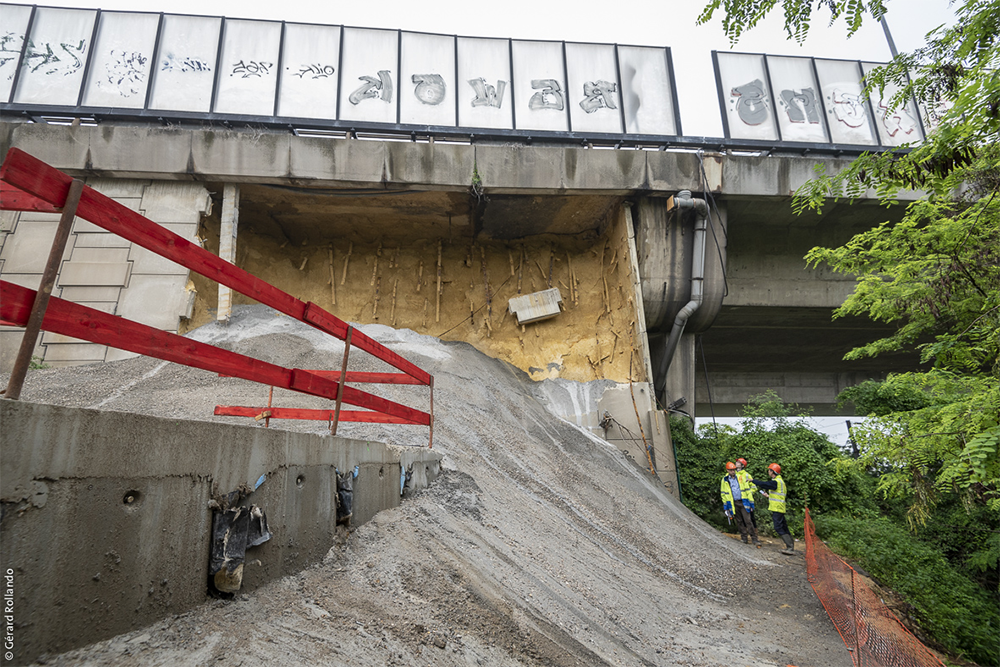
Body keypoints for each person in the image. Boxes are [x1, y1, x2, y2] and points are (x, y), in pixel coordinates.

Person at [751, 463, 794, 555]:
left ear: (773, 472)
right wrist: (768, 496)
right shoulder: (780, 481)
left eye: (769, 470)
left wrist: (753, 480)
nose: (768, 472)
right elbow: (778, 495)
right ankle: (790, 546)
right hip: (780, 507)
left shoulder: (776, 482)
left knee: (778, 527)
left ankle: (790, 547)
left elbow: (764, 484)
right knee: (783, 526)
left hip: (777, 508)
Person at [720, 461, 760, 547]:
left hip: (743, 501)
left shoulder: (740, 477)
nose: (733, 472)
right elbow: (723, 493)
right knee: (739, 521)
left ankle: (754, 539)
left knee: (748, 520)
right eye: (731, 470)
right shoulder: (724, 480)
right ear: (727, 470)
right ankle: (744, 538)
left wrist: (751, 503)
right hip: (733, 503)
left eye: (734, 470)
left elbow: (747, 490)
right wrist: (726, 507)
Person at [735, 457, 758, 530]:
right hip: (737, 499)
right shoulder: (733, 474)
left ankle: (754, 533)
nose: (736, 463)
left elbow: (754, 488)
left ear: (742, 465)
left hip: (746, 500)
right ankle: (745, 533)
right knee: (740, 518)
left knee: (750, 517)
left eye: (738, 462)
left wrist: (748, 493)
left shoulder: (747, 475)